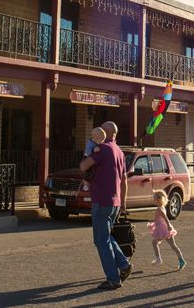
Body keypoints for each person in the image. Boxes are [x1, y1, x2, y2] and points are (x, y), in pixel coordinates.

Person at [79, 121, 132, 290]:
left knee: (101, 240)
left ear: (105, 133)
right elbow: (124, 180)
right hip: (115, 202)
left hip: (102, 201)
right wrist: (123, 203)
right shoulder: (119, 152)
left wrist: (87, 153)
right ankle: (123, 265)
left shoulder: (102, 149)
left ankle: (113, 278)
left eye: (100, 130)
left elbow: (83, 166)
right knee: (107, 237)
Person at [147, 190, 186, 270]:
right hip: (164, 229)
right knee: (173, 246)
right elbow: (161, 219)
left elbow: (165, 218)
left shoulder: (159, 209)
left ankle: (158, 259)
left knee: (154, 242)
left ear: (158, 200)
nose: (153, 200)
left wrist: (168, 226)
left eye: (154, 198)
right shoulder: (162, 208)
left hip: (163, 230)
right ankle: (181, 260)